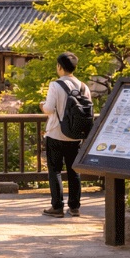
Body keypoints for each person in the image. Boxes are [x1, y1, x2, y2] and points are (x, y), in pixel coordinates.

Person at [41, 51, 91, 218]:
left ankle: (57, 207)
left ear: (59, 67)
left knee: (55, 170)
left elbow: (48, 109)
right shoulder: (84, 86)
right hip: (76, 135)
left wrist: (42, 106)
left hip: (56, 133)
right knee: (73, 171)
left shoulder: (56, 85)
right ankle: (75, 207)